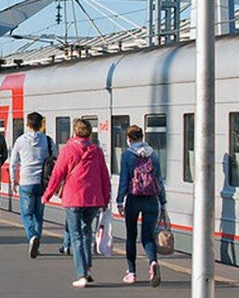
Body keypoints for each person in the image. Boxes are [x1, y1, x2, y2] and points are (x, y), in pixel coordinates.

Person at [44, 118, 111, 288]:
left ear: (74, 132)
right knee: (86, 232)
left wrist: (47, 196)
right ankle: (87, 270)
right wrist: (106, 198)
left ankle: (81, 274)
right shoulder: (97, 151)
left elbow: (57, 174)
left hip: (73, 198)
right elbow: (104, 176)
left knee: (76, 236)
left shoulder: (68, 150)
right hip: (93, 199)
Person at [115, 125, 167, 287]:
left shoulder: (127, 156)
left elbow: (124, 180)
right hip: (152, 199)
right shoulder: (154, 155)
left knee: (131, 235)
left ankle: (131, 273)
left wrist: (119, 200)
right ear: (142, 137)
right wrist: (163, 202)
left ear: (129, 139)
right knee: (148, 236)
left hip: (134, 199)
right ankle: (152, 263)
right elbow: (159, 181)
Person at [9, 111, 55, 258]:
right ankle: (37, 242)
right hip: (42, 182)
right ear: (41, 124)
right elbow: (56, 159)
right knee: (38, 215)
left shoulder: (20, 140)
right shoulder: (48, 140)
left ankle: (32, 236)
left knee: (26, 213)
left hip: (26, 181)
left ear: (27, 124)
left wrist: (13, 180)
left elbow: (13, 163)